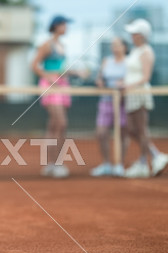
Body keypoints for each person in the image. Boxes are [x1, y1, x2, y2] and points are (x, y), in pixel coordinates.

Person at [31, 15, 87, 178]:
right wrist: (47, 76)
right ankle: (54, 163)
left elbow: (62, 69)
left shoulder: (62, 45)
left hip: (62, 85)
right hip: (50, 87)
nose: (66, 28)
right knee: (61, 123)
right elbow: (34, 65)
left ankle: (53, 163)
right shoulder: (46, 46)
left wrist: (76, 72)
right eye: (64, 25)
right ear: (56, 26)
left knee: (55, 126)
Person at [122, 19, 168, 178]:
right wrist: (124, 84)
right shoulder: (135, 51)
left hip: (140, 93)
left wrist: (128, 86)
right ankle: (156, 155)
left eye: (134, 33)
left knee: (141, 129)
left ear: (142, 35)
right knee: (131, 129)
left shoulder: (146, 51)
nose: (132, 36)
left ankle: (143, 162)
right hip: (131, 94)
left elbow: (145, 77)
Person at [90, 37, 129, 177]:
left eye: (117, 45)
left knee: (123, 133)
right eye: (113, 45)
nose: (114, 48)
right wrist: (100, 81)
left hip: (123, 102)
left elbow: (132, 80)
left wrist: (123, 83)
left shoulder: (129, 63)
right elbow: (99, 78)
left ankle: (119, 164)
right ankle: (106, 164)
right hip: (106, 101)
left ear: (124, 47)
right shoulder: (107, 61)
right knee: (101, 133)